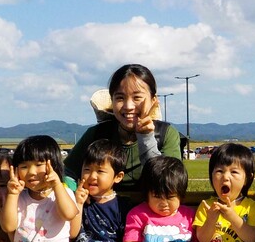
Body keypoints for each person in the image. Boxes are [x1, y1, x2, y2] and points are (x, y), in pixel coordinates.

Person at [64, 64, 182, 196]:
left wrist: (146, 137)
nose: (128, 106)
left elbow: (167, 183)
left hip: (148, 214)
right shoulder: (96, 134)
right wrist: (76, 192)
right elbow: (66, 172)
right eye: (120, 98)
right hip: (101, 213)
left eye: (137, 97)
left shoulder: (166, 134)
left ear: (153, 100)